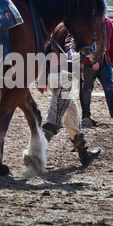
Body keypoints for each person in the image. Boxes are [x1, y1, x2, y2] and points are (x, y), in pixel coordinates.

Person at [39, 24, 101, 169]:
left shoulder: (57, 26)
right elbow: (70, 44)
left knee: (72, 116)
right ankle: (35, 156)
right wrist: (72, 53)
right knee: (53, 119)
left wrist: (43, 78)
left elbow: (46, 50)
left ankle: (84, 154)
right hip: (65, 77)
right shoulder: (72, 28)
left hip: (55, 76)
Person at [81, 16, 113, 127]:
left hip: (105, 61)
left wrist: (112, 58)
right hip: (90, 62)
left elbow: (112, 40)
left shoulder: (108, 22)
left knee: (109, 86)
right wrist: (93, 60)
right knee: (87, 89)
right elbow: (85, 42)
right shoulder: (90, 21)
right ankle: (85, 116)